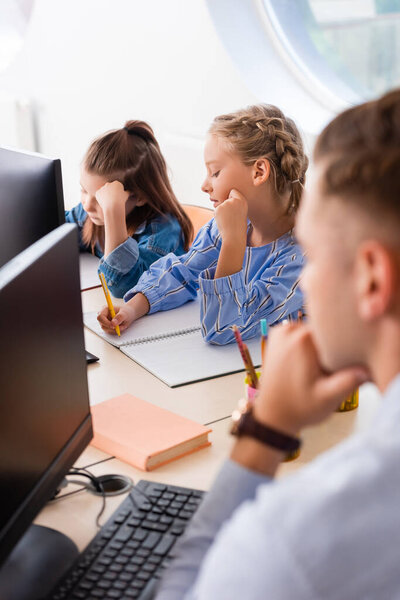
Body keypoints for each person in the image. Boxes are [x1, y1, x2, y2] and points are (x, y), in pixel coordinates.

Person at [153, 88, 400, 599]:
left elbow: (184, 589)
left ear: (372, 279)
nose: (306, 284)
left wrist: (265, 432)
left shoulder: (295, 538)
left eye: (316, 249)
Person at [98, 104, 309, 344]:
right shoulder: (229, 225)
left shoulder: (303, 257)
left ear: (259, 171)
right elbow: (183, 272)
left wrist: (233, 242)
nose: (204, 185)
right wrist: (131, 310)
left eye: (215, 172)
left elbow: (225, 328)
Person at [65, 121, 193, 298]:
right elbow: (56, 238)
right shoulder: (90, 213)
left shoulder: (163, 234)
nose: (86, 205)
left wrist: (113, 213)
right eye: (84, 190)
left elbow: (123, 287)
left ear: (139, 197)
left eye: (100, 200)